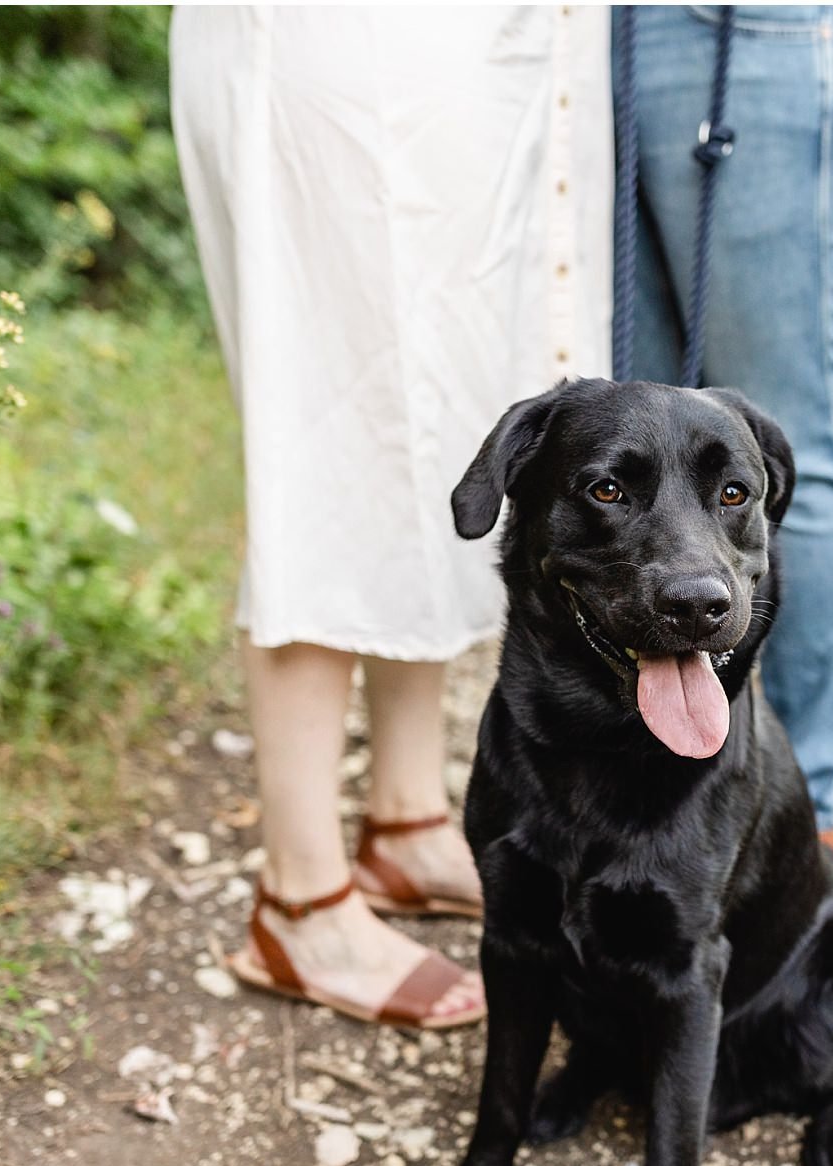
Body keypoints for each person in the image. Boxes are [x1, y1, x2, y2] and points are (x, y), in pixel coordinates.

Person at [170, 7, 612, 1028]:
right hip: (346, 46)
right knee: (327, 442)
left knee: (436, 425)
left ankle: (405, 820)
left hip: (483, 60)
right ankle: (301, 898)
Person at [621, 5, 833, 859]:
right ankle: (658, 785)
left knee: (777, 430)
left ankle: (803, 810)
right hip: (589, 41)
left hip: (751, 29)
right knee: (642, 431)